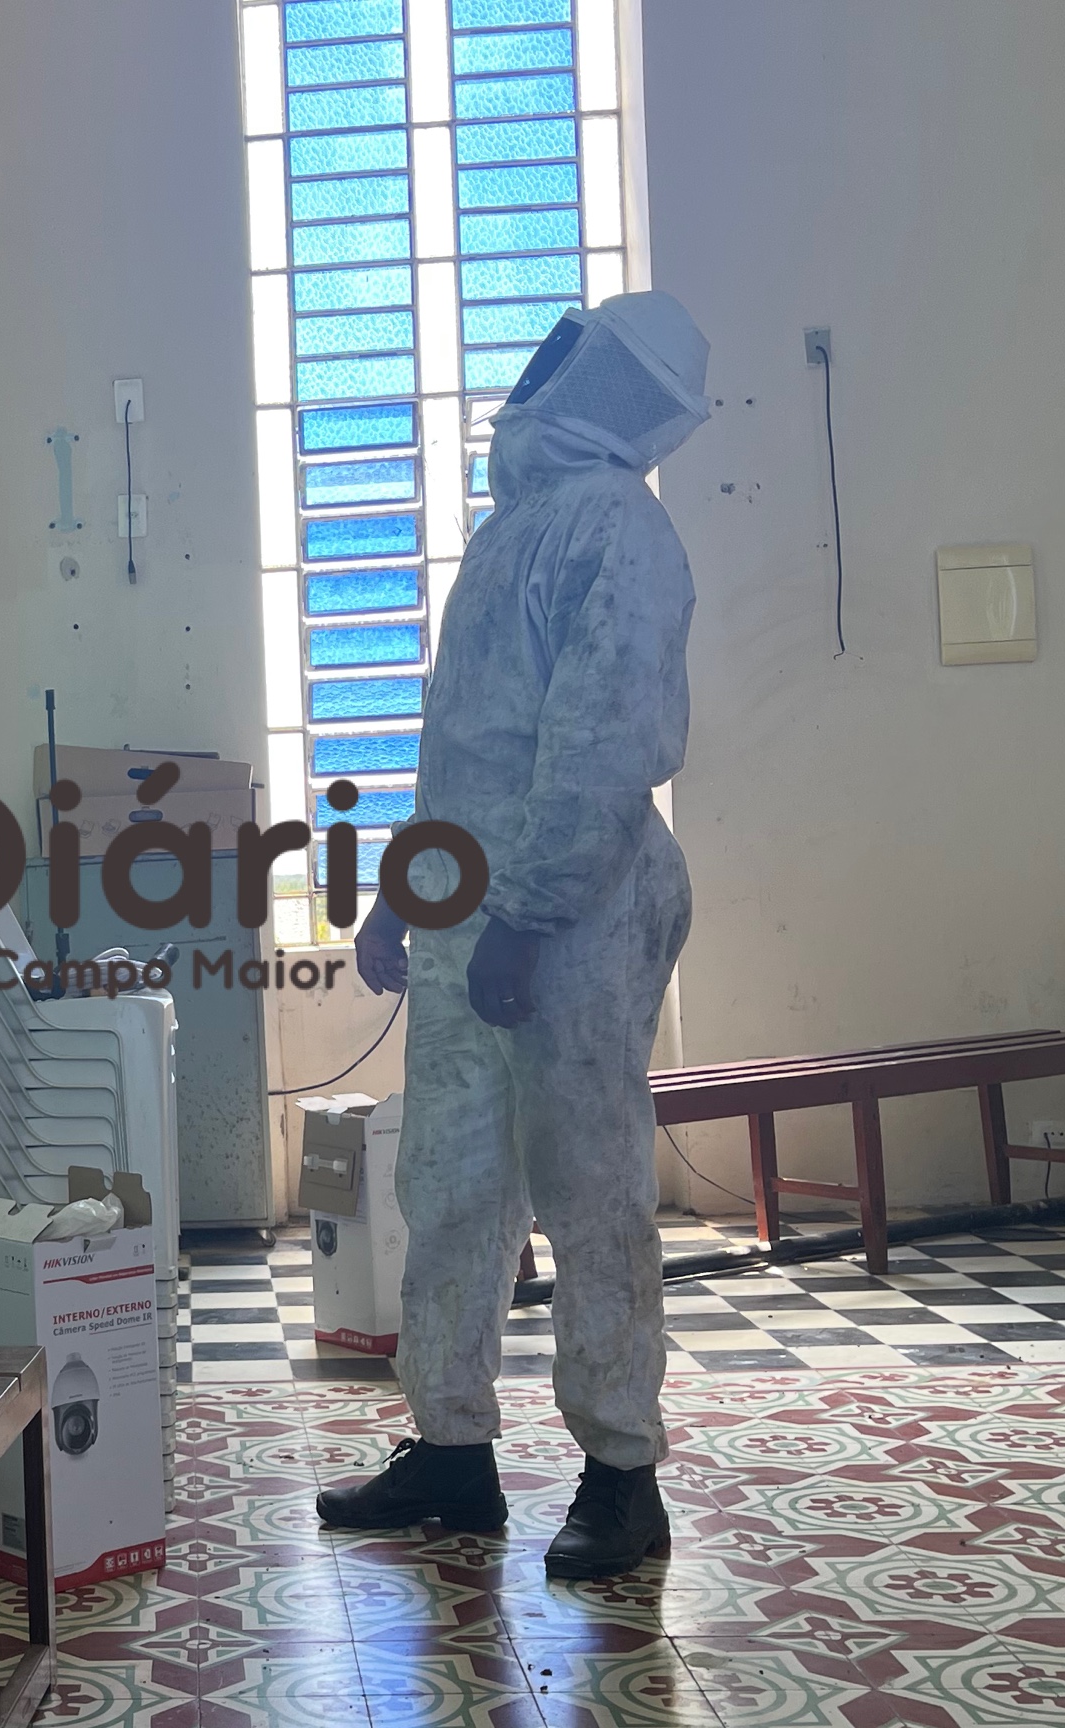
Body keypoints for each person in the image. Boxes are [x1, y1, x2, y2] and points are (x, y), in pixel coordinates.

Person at [316, 291, 709, 1580]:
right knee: (450, 1189)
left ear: (606, 384)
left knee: (591, 1194)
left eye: (565, 354)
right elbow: (465, 750)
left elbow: (601, 747)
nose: (536, 371)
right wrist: (407, 893)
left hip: (572, 919)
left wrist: (526, 920)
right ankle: (451, 1452)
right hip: (474, 912)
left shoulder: (621, 531)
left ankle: (622, 1476)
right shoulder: (510, 536)